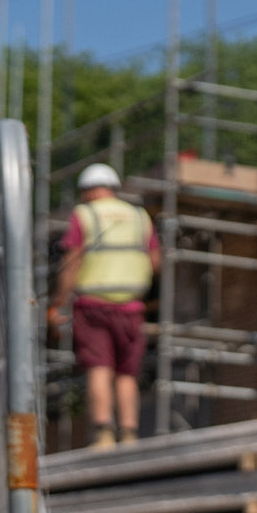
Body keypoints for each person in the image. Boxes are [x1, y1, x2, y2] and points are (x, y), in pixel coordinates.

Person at [47, 163, 159, 449]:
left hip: (92, 305)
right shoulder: (139, 215)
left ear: (87, 191)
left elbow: (72, 263)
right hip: (131, 306)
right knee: (127, 372)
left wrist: (58, 303)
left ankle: (104, 433)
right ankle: (130, 434)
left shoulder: (84, 215)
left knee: (99, 367)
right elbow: (155, 261)